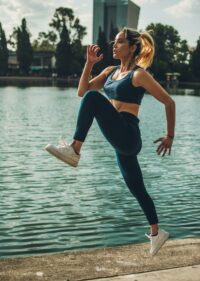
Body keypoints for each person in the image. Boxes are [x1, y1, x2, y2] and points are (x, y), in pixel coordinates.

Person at [45, 27, 176, 256]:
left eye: (120, 42)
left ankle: (75, 149)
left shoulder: (139, 74)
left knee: (94, 98)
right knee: (137, 188)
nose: (114, 46)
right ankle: (157, 233)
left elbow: (169, 102)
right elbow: (82, 91)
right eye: (114, 42)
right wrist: (89, 63)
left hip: (127, 132)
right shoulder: (109, 71)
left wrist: (170, 136)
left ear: (133, 47)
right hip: (119, 139)